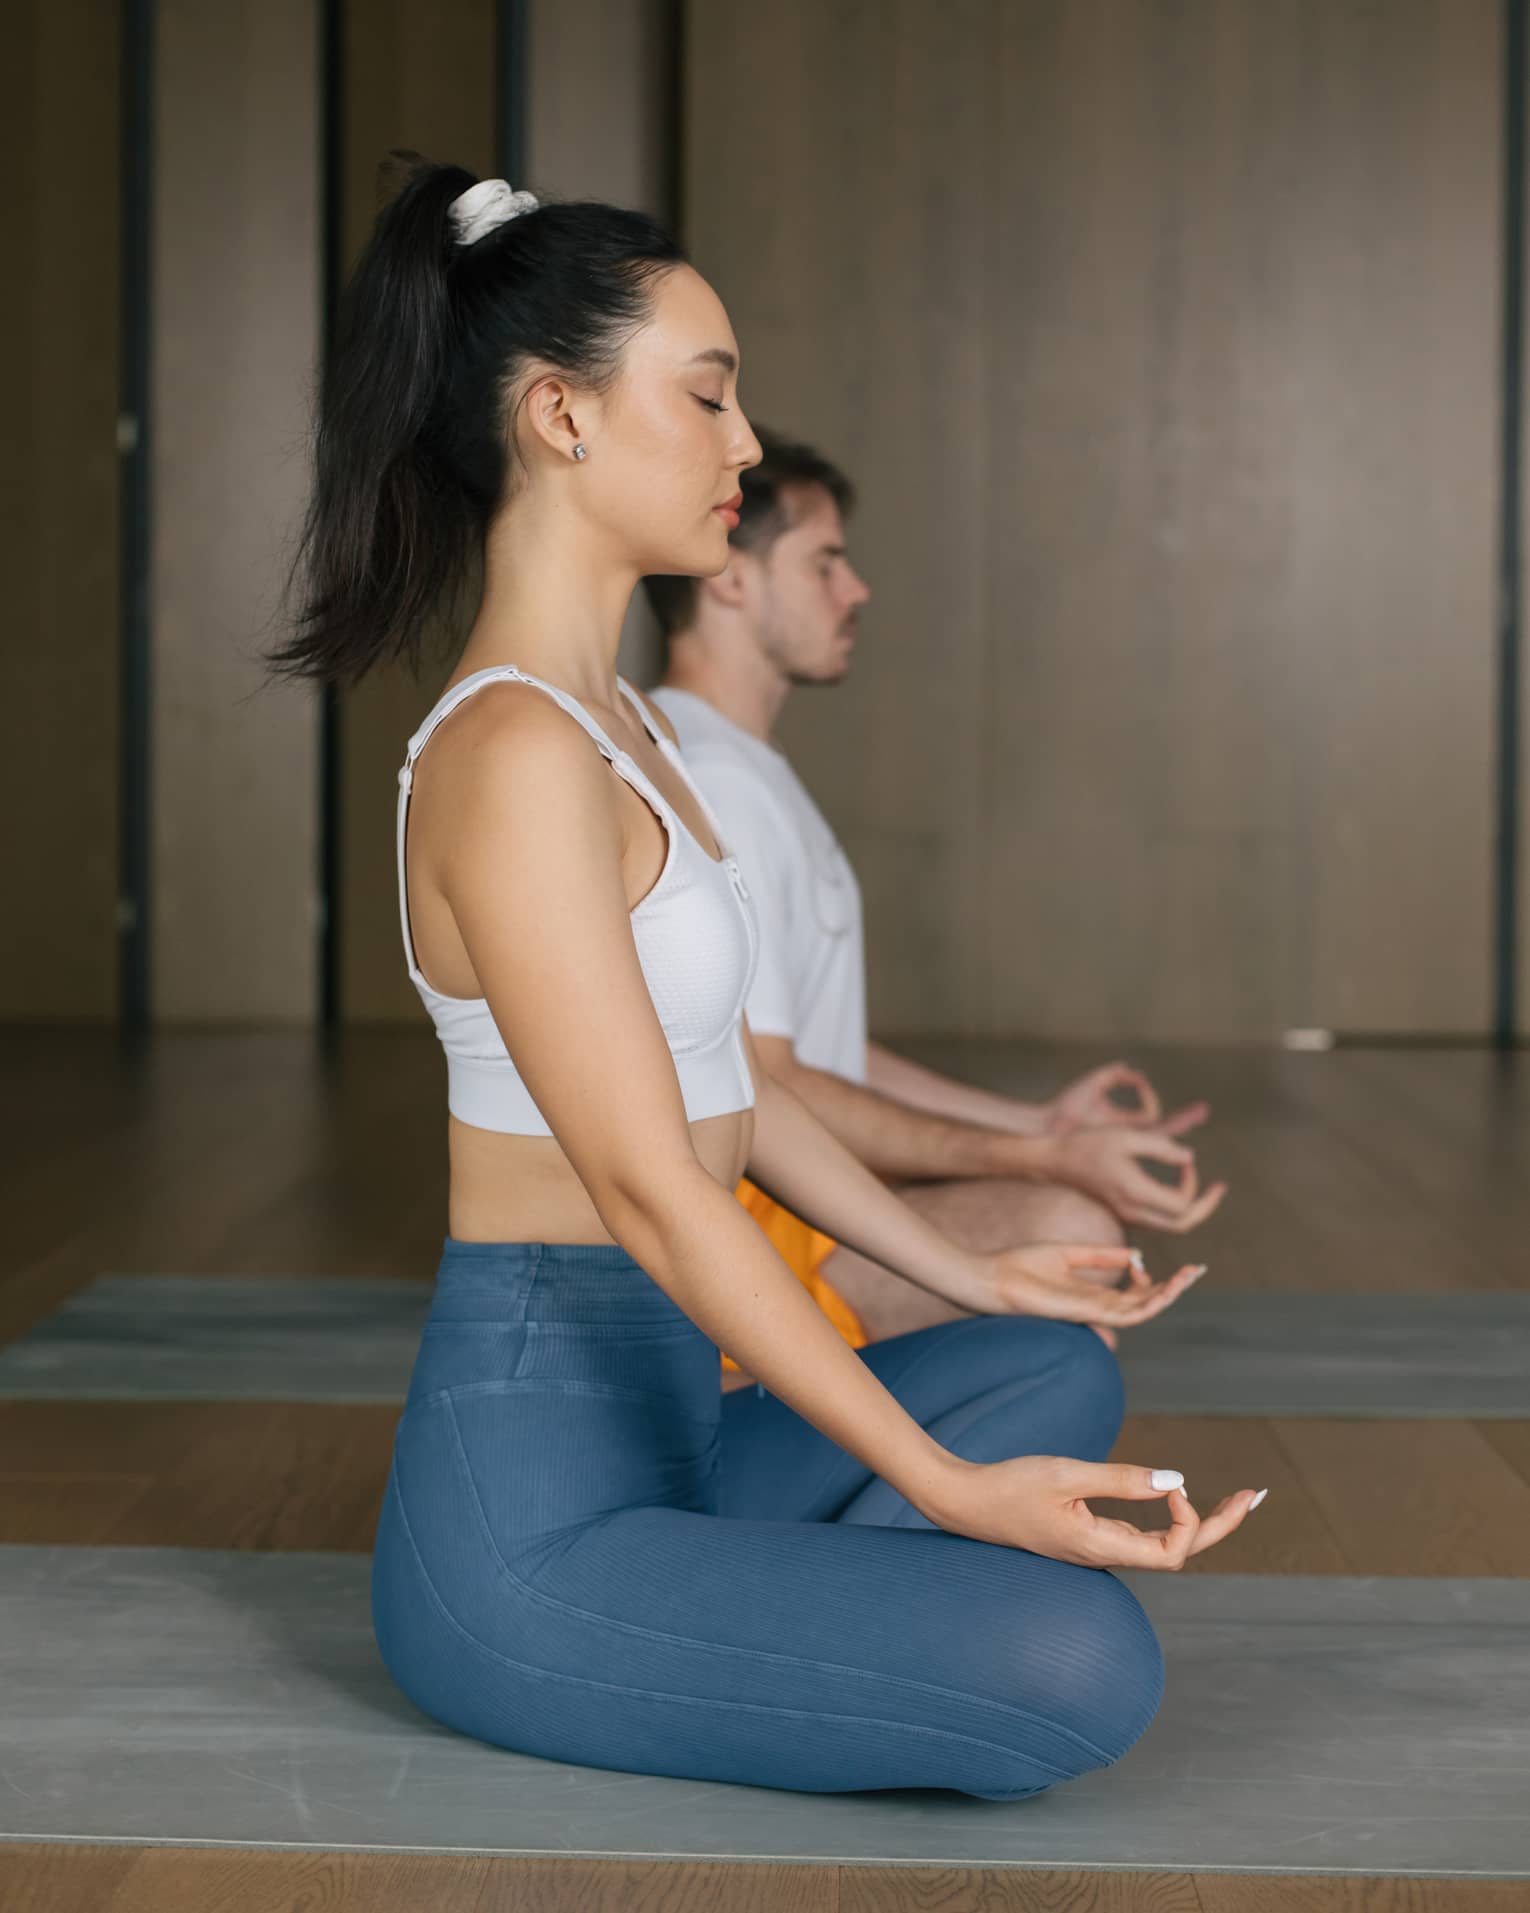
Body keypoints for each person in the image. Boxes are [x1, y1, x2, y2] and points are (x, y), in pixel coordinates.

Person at [268, 156, 1262, 1804]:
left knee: (1054, 1362)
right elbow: (660, 1191)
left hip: (683, 1432)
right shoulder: (512, 749)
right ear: (560, 416)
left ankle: (801, 1611)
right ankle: (787, 1610)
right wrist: (944, 1487)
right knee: (1078, 1661)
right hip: (531, 1512)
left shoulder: (627, 725)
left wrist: (975, 1269)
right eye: (711, 396)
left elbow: (735, 1081)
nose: (743, 443)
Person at [645, 431, 1227, 1381]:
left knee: (1063, 1226)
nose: (857, 590)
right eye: (826, 562)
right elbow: (775, 1081)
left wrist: (1042, 1128)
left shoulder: (737, 765)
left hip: (797, 1205)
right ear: (730, 578)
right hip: (756, 1238)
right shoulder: (717, 779)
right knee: (1070, 1228)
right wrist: (1040, 1164)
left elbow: (819, 1047)